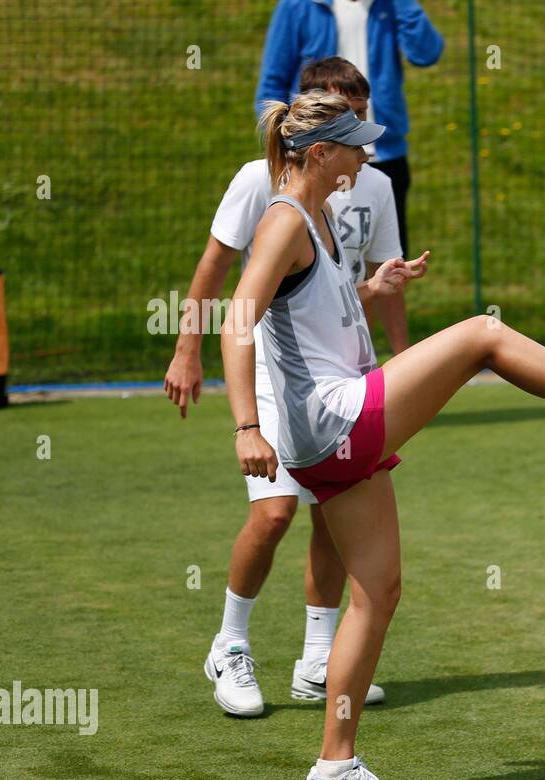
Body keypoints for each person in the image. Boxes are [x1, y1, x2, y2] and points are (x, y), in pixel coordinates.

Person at [222, 91, 545, 780]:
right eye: (356, 145)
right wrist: (247, 425)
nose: (370, 156)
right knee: (482, 336)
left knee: (377, 594)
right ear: (317, 155)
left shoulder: (324, 214)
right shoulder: (283, 218)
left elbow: (307, 314)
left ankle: (334, 769)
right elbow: (237, 320)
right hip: (328, 420)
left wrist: (371, 289)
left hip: (334, 426)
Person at [164, 58, 405, 718]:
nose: (367, 147)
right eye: (353, 125)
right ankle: (230, 645)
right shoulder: (265, 188)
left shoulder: (344, 196)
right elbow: (227, 284)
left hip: (337, 382)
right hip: (275, 383)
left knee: (330, 513)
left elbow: (310, 297)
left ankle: (317, 660)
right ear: (319, 133)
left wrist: (372, 294)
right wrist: (190, 351)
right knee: (274, 513)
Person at [256, 0, 445, 258]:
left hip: (382, 155)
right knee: (315, 256)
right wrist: (291, 149)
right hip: (318, 158)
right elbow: (272, 84)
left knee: (387, 267)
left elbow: (426, 52)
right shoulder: (298, 6)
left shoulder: (389, 5)